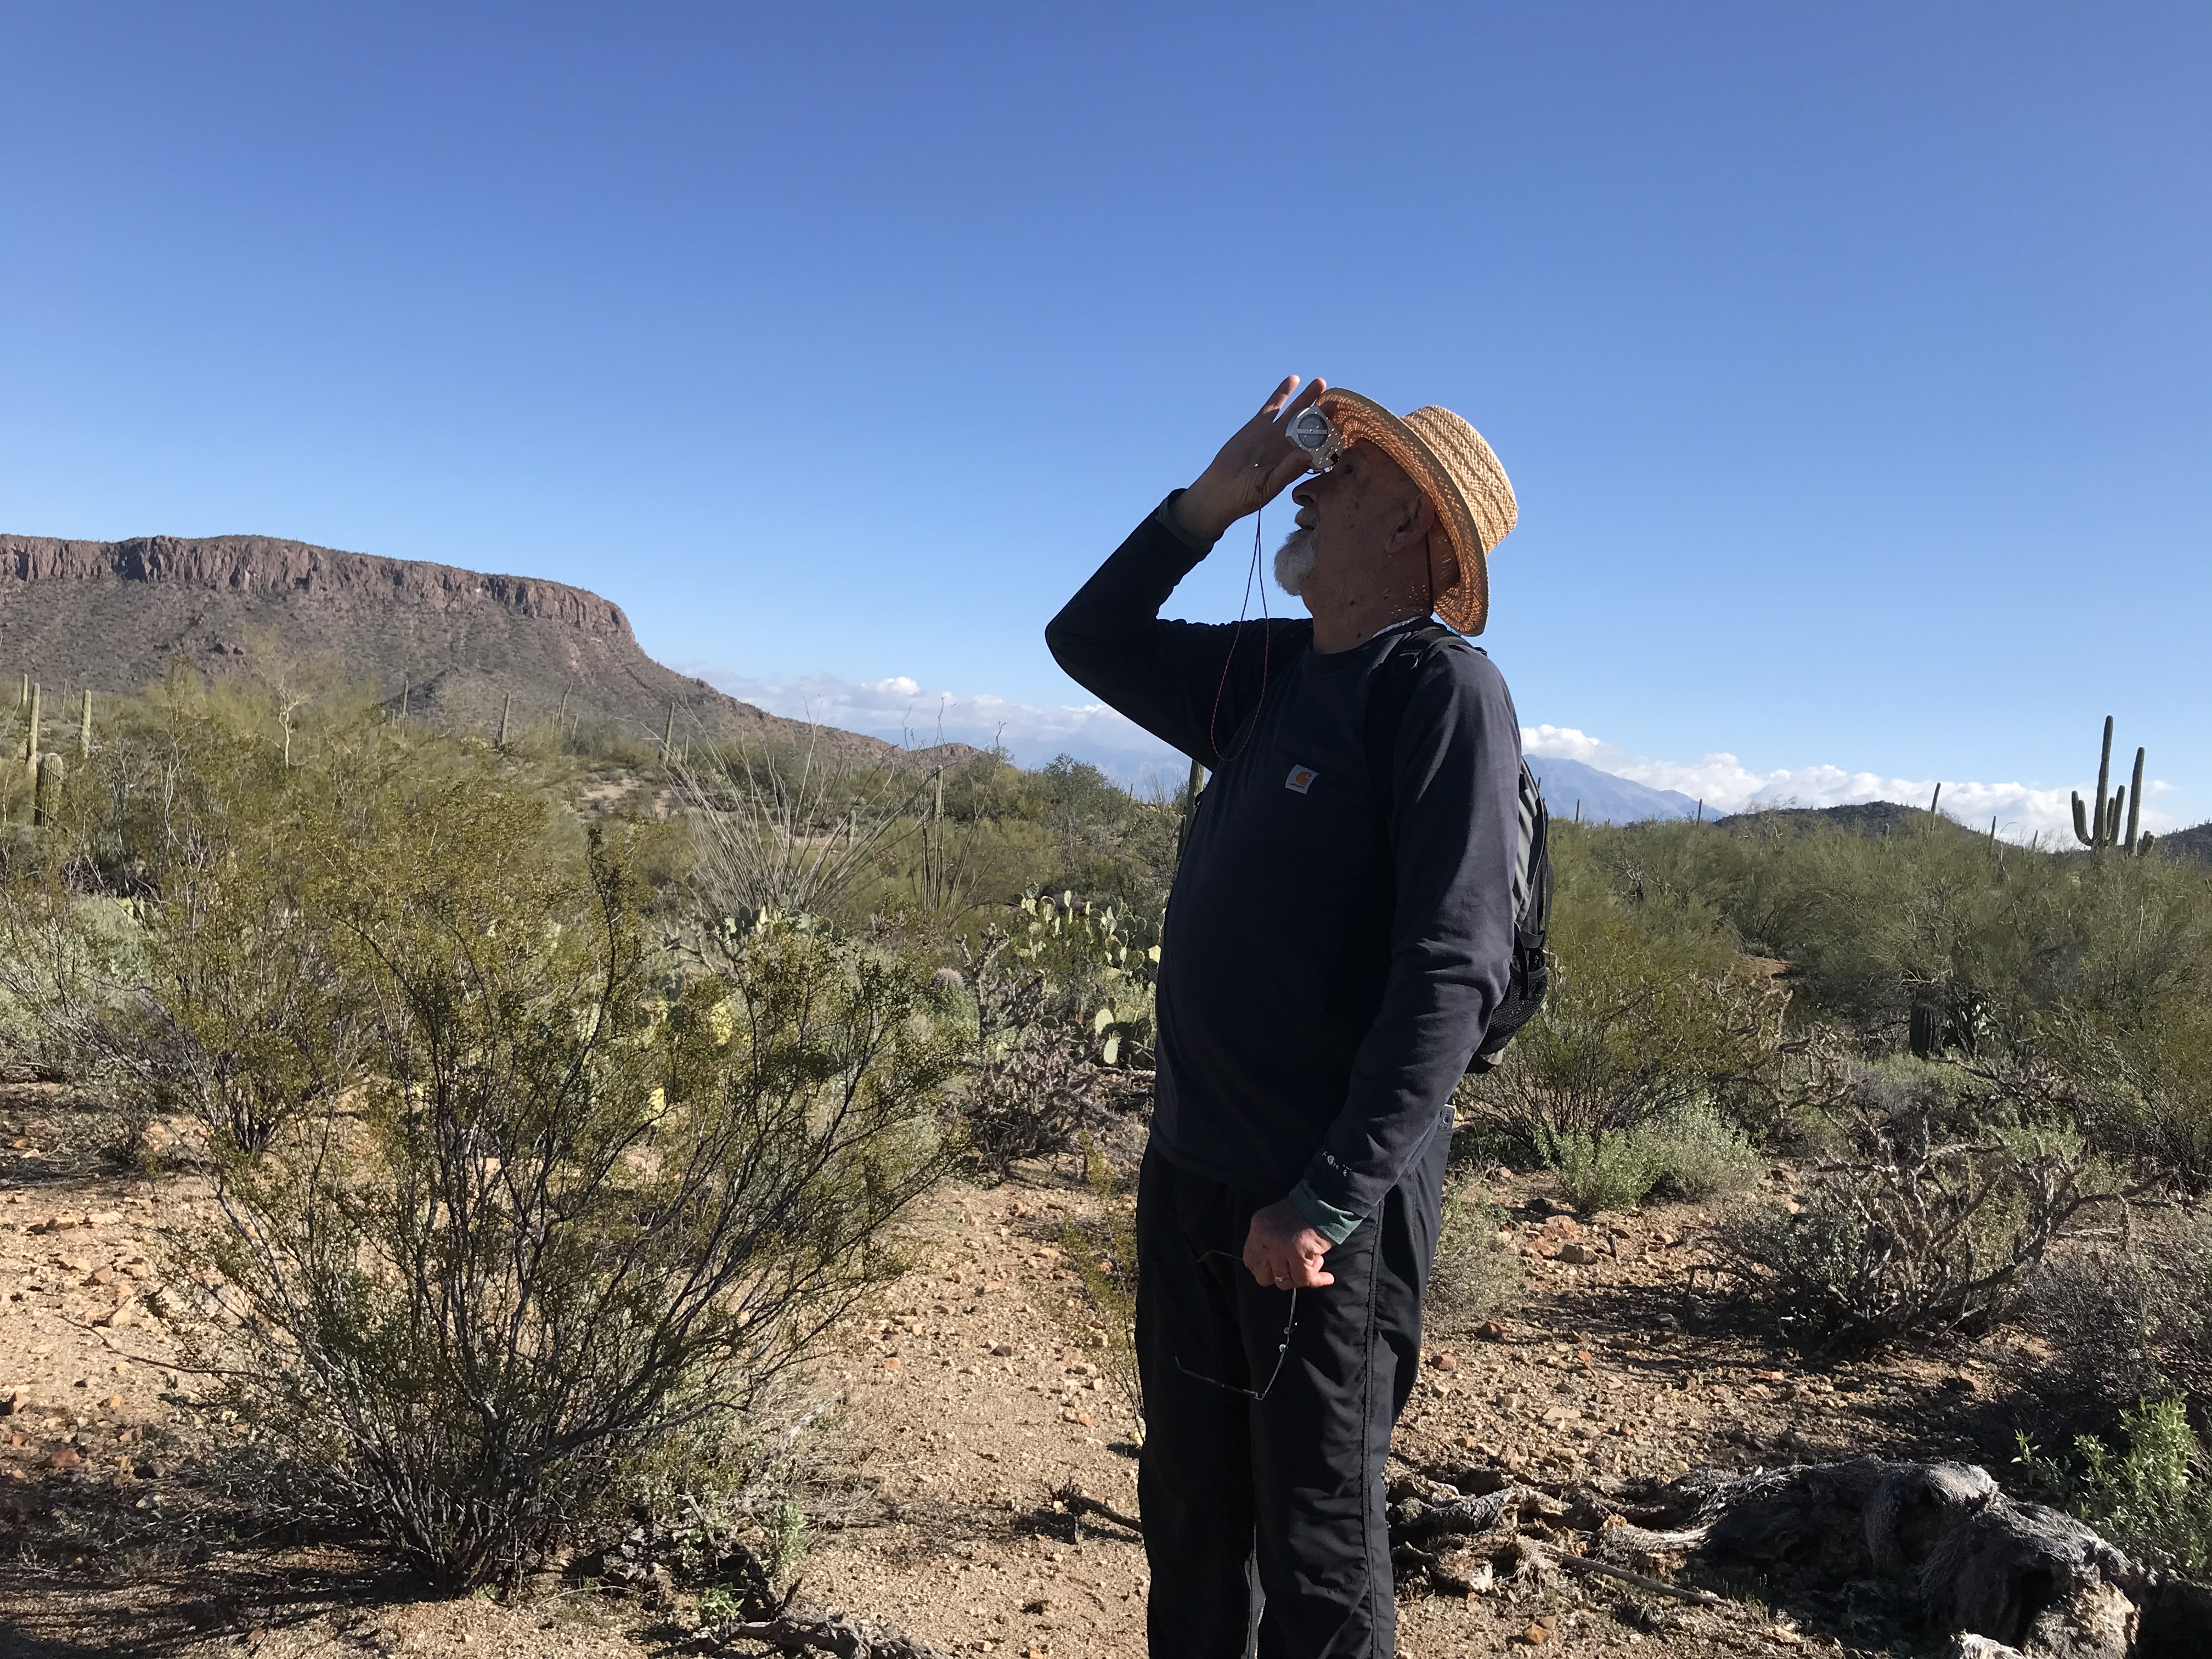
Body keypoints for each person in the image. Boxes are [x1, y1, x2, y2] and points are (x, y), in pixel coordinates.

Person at [1044, 376, 1523, 1658]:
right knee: (1192, 1520)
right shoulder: (1267, 671)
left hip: (1320, 1210)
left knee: (1318, 1554)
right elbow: (1088, 638)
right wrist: (1207, 506)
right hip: (1193, 1176)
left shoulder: (1440, 694)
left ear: (1415, 527)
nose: (1311, 485)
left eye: (1347, 473)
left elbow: (1455, 969)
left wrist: (1325, 1200)